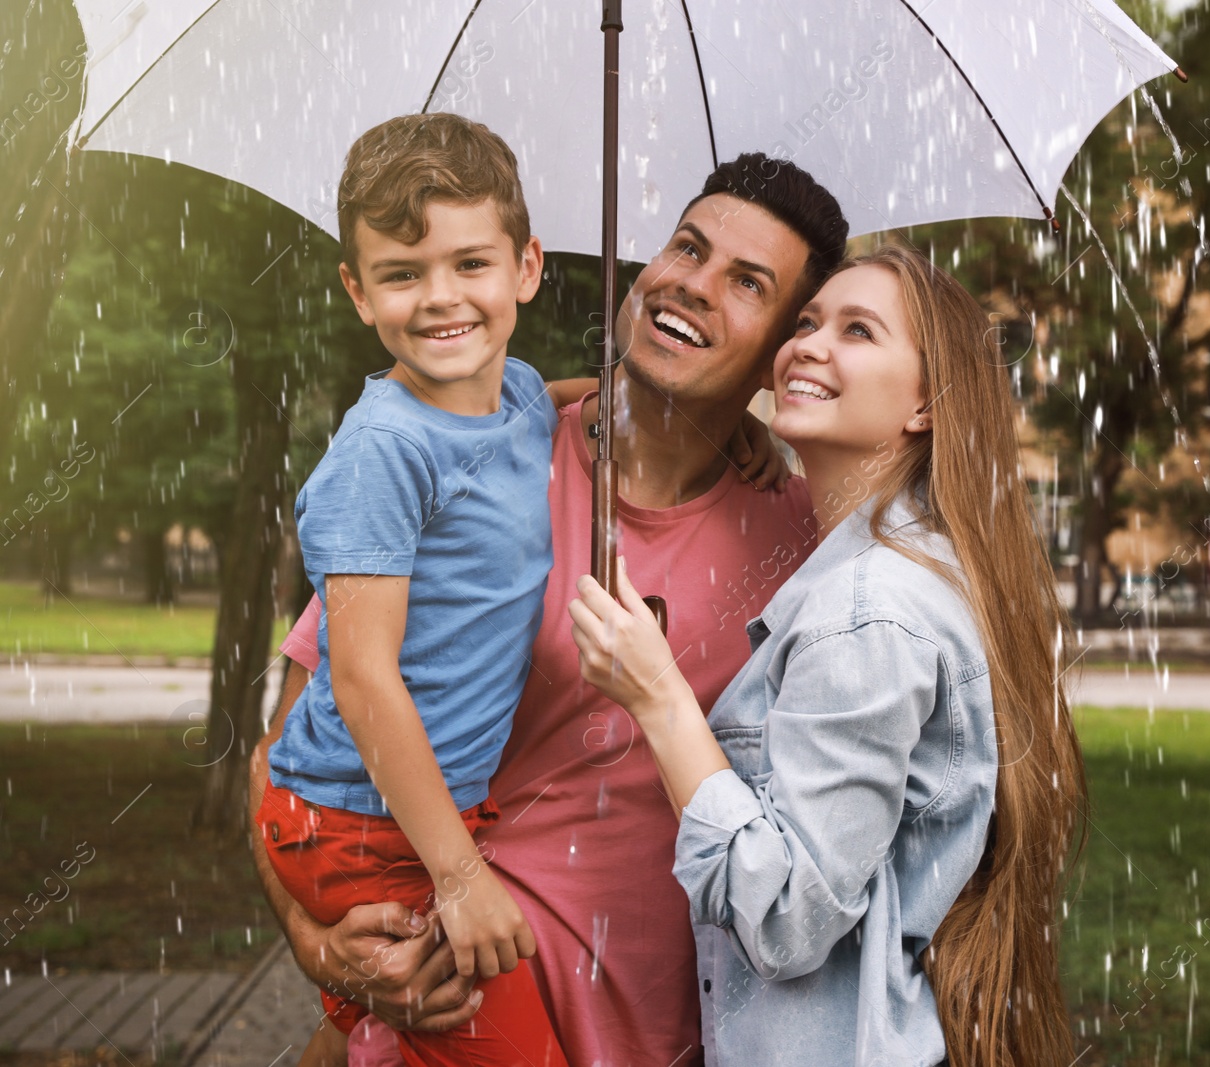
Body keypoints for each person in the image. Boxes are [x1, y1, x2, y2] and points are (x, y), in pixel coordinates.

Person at [251, 154, 849, 1067]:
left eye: (747, 283)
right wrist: (316, 944)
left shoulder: (804, 542)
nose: (693, 283)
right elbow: (290, 749)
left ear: (783, 348)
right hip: (458, 993)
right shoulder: (466, 465)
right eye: (687, 247)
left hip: (680, 1033)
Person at [569, 246, 1089, 1066]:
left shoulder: (867, 608)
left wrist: (658, 696)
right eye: (807, 323)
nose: (808, 345)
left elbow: (788, 918)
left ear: (926, 403)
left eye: (858, 331)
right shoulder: (910, 563)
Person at [258, 111, 571, 1067]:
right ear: (358, 292)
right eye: (402, 274)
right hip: (358, 820)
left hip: (412, 812)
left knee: (366, 1046)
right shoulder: (384, 452)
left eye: (471, 264)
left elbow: (554, 399)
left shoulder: (518, 393)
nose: (441, 299)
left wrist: (718, 418)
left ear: (526, 267)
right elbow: (361, 678)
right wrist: (460, 875)